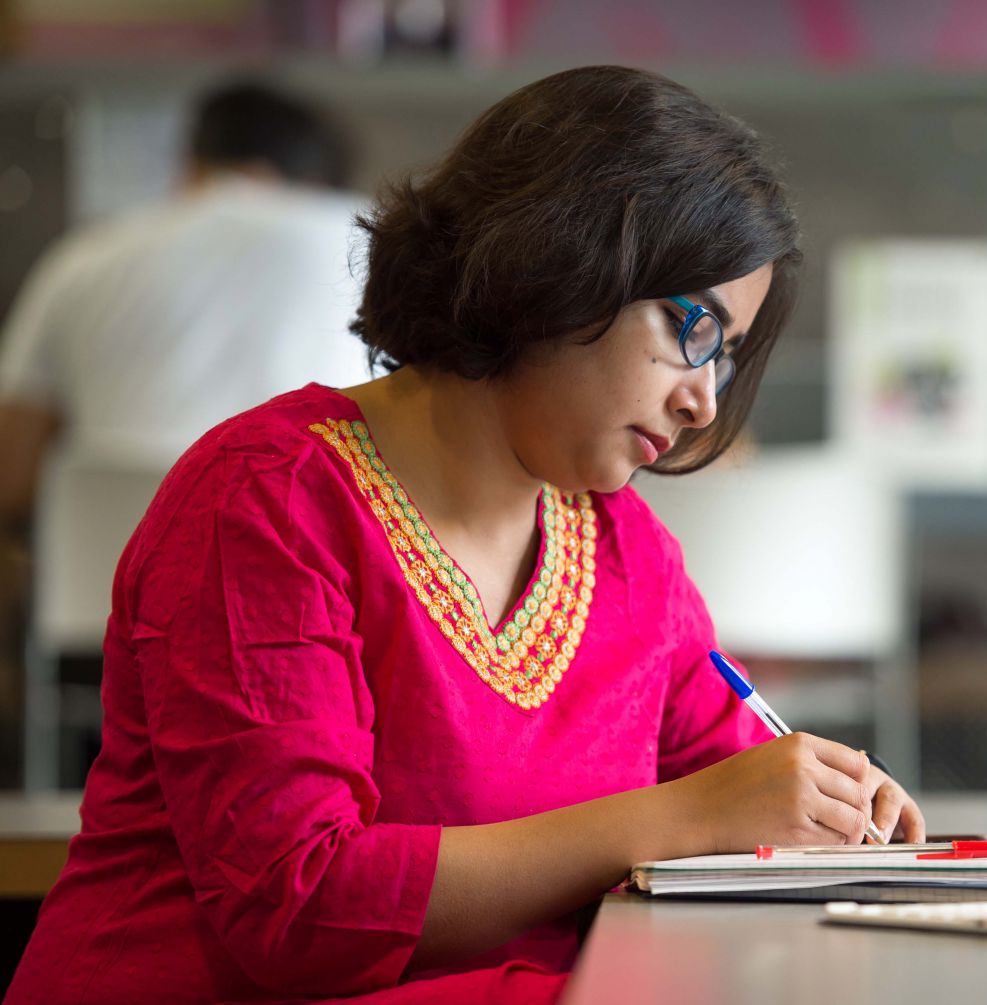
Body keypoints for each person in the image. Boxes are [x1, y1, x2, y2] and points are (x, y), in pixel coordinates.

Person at [3, 66, 925, 1005]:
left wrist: (832, 806)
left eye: (724, 359)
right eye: (692, 327)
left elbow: (736, 787)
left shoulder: (626, 554)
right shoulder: (268, 502)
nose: (702, 400)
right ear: (556, 257)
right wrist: (679, 816)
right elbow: (298, 908)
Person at [0, 80, 371, 528]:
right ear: (319, 181)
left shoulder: (84, 256)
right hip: (316, 581)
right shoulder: (368, 239)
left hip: (103, 584)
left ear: (191, 166)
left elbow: (11, 475)